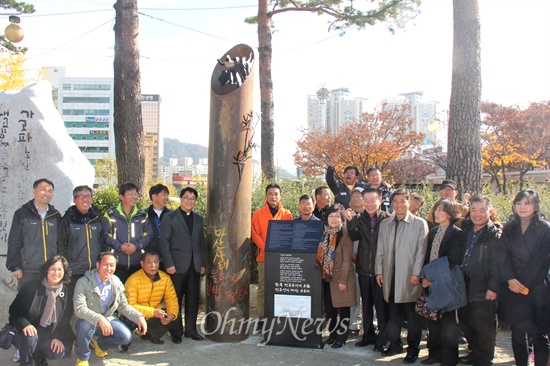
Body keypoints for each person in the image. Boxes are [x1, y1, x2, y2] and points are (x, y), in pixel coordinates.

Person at [376, 188, 429, 363]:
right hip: (390, 276)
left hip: (409, 278)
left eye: (402, 201)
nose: (399, 204)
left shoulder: (419, 224)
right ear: (391, 204)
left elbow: (421, 252)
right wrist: (379, 271)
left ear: (409, 202)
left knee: (413, 317)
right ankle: (395, 344)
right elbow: (381, 250)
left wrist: (417, 273)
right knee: (393, 314)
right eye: (395, 201)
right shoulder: (386, 224)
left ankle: (413, 349)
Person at [498, 189, 550, 366]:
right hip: (513, 286)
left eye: (527, 203)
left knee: (539, 333)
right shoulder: (509, 227)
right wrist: (510, 279)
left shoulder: (545, 228)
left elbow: (543, 261)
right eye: (519, 203)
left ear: (535, 206)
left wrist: (525, 284)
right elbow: (501, 255)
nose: (522, 207)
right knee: (518, 332)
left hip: (537, 288)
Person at [72, 252, 147, 366]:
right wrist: (99, 318)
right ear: (97, 265)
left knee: (126, 336)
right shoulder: (83, 282)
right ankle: (82, 357)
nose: (109, 268)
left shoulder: (116, 282)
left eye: (112, 265)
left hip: (108, 318)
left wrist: (139, 317)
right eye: (105, 265)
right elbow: (79, 309)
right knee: (85, 326)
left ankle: (100, 344)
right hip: (85, 319)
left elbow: (123, 306)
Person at [57, 185, 105, 353]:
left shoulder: (98, 219)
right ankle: (66, 341)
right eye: (81, 196)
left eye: (88, 196)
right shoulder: (67, 220)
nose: (85, 199)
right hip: (74, 272)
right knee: (69, 309)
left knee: (93, 308)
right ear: (75, 199)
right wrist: (65, 270)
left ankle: (87, 341)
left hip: (93, 273)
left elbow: (103, 243)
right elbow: (61, 246)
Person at [457, 195, 501, 366]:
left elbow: (498, 265)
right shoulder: (467, 228)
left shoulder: (494, 234)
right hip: (465, 283)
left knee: (484, 325)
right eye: (473, 210)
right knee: (467, 321)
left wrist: (493, 288)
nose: (477, 214)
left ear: (489, 211)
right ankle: (475, 351)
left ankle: (484, 358)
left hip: (484, 286)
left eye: (482, 210)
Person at [420, 199, 465, 366]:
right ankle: (434, 354)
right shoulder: (433, 232)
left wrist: (432, 277)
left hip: (446, 282)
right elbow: (427, 257)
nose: (436, 213)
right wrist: (424, 277)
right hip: (430, 282)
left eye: (441, 210)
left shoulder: (457, 233)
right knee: (432, 321)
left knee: (448, 322)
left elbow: (452, 260)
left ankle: (449, 359)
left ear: (450, 213)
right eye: (436, 209)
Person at [159, 187, 206, 343]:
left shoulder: (198, 219)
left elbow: (201, 242)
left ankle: (191, 330)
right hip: (176, 266)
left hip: (194, 266)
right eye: (186, 197)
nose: (189, 201)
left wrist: (202, 263)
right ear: (180, 199)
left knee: (193, 299)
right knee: (175, 300)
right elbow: (164, 241)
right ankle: (176, 332)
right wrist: (169, 263)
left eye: (192, 198)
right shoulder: (170, 217)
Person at [346, 187, 390, 352]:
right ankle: (368, 335)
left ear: (380, 201)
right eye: (367, 201)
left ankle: (382, 338)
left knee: (381, 306)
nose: (370, 204)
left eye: (373, 200)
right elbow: (354, 236)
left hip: (380, 271)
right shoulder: (358, 219)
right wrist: (350, 221)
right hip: (363, 269)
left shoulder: (387, 219)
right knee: (366, 305)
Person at [9, 255, 71, 366]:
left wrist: (58, 337)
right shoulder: (31, 286)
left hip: (46, 334)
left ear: (64, 272)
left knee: (57, 352)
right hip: (25, 333)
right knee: (30, 338)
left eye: (60, 269)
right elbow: (14, 309)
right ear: (47, 270)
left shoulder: (65, 292)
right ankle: (26, 361)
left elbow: (65, 318)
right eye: (52, 269)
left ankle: (37, 355)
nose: (56, 273)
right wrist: (25, 325)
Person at [7, 178, 61, 290]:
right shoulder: (22, 214)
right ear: (33, 191)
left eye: (50, 191)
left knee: (48, 305)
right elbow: (14, 241)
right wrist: (14, 267)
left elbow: (61, 242)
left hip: (50, 270)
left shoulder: (55, 215)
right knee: (27, 304)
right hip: (28, 270)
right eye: (43, 190)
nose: (47, 193)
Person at [315, 204, 356, 349]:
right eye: (331, 216)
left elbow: (346, 260)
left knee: (343, 310)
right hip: (328, 277)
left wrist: (343, 281)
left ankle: (341, 338)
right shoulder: (325, 233)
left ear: (342, 219)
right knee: (331, 310)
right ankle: (332, 336)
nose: (333, 219)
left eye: (337, 216)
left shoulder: (345, 234)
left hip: (341, 278)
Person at [251, 183, 293, 323]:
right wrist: (267, 249)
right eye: (270, 194)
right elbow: (255, 234)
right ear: (266, 195)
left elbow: (290, 234)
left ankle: (278, 317)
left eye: (276, 194)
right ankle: (263, 319)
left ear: (280, 195)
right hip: (264, 257)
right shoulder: (258, 214)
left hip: (282, 258)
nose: (273, 197)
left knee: (280, 288)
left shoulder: (287, 214)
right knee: (263, 289)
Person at [122, 250, 179, 349]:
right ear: (142, 264)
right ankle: (125, 340)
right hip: (136, 313)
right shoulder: (133, 280)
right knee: (127, 319)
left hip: (153, 311)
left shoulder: (165, 278)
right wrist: (152, 312)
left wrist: (172, 314)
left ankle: (150, 334)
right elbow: (130, 305)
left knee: (173, 313)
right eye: (149, 262)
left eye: (156, 262)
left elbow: (171, 299)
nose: (153, 265)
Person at [103, 182, 152, 283]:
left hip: (137, 262)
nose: (134, 197)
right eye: (130, 194)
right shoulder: (111, 215)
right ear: (121, 196)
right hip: (117, 263)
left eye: (135, 194)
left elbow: (148, 235)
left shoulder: (142, 215)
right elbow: (105, 235)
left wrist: (136, 246)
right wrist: (120, 246)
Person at [346, 187, 364, 336]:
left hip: (368, 262)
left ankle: (371, 323)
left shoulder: (371, 216)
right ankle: (354, 322)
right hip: (351, 262)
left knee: (369, 296)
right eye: (354, 197)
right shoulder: (347, 216)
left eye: (360, 196)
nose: (357, 199)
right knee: (354, 294)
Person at [146, 184, 171, 270]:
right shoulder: (144, 215)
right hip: (149, 260)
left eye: (167, 195)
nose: (167, 198)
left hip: (168, 261)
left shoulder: (173, 216)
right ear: (154, 196)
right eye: (164, 194)